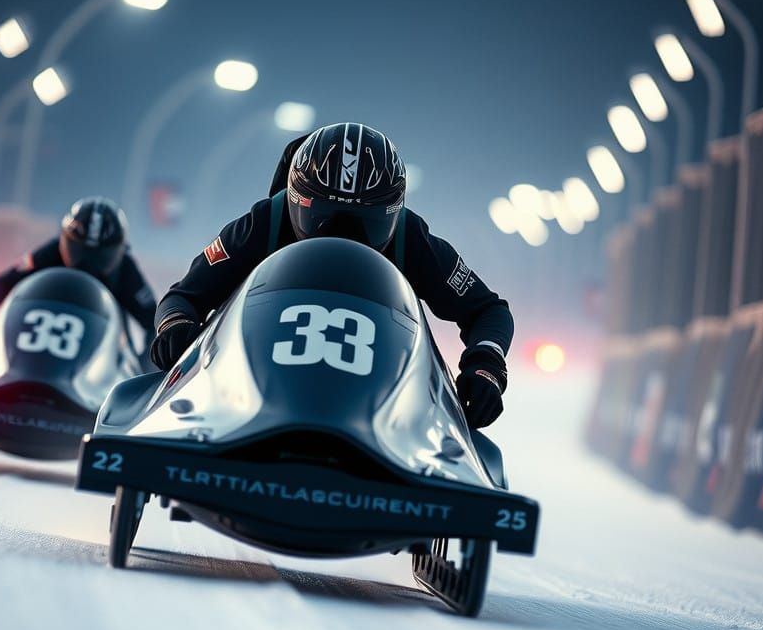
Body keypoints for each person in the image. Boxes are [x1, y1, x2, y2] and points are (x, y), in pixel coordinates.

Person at [150, 123, 513, 429]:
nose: (343, 234)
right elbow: (184, 297)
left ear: (393, 212)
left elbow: (488, 311)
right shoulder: (264, 222)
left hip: (383, 404)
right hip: (248, 388)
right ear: (294, 199)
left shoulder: (410, 236)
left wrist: (485, 366)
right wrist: (176, 327)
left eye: (365, 222)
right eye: (323, 216)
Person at [0, 196, 157, 362]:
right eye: (80, 250)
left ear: (120, 250)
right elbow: (3, 283)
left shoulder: (126, 269)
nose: (88, 262)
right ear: (65, 241)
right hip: (30, 346)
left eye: (100, 255)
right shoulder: (50, 253)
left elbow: (153, 321)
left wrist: (147, 362)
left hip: (100, 360)